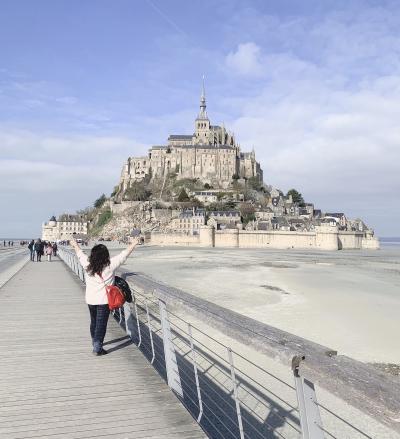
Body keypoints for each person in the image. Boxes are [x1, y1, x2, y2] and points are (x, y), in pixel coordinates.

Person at [70, 236, 140, 356]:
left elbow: (80, 253)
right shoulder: (110, 266)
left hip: (91, 299)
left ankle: (95, 342)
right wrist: (133, 244)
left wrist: (75, 244)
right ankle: (97, 348)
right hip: (104, 301)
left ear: (93, 255)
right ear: (105, 255)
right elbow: (124, 255)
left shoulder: (87, 265)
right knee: (101, 324)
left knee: (94, 322)